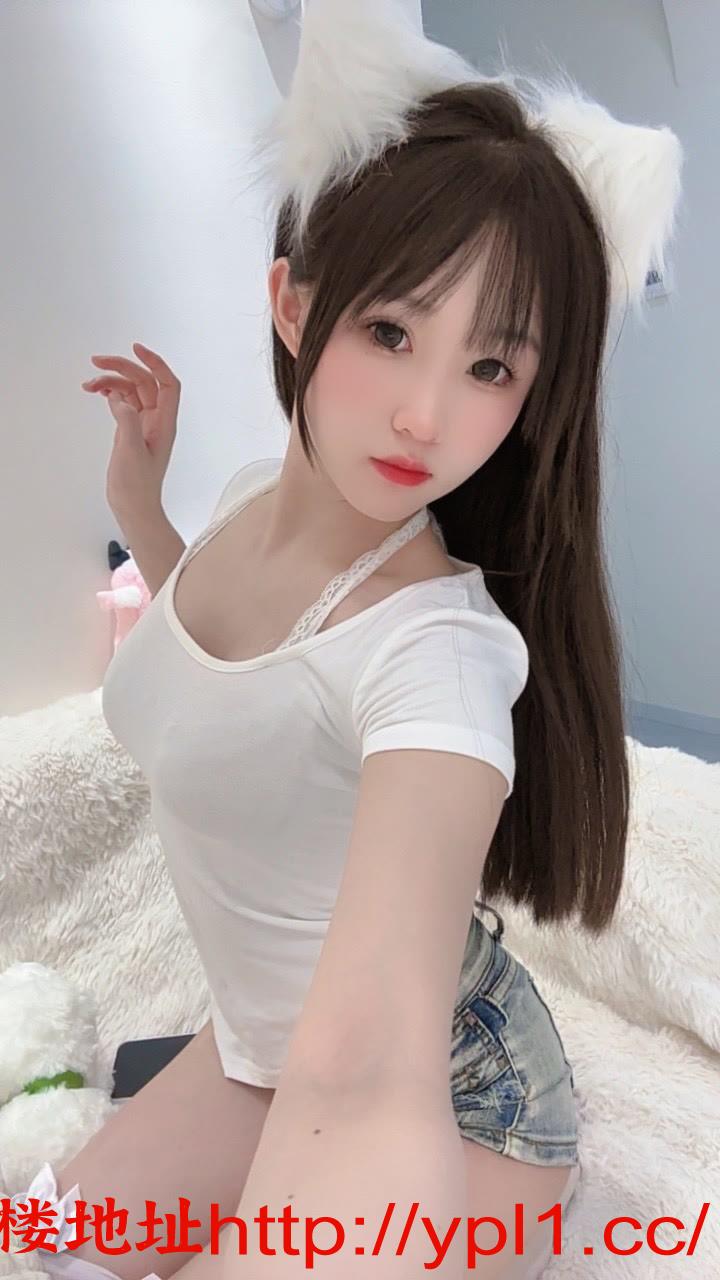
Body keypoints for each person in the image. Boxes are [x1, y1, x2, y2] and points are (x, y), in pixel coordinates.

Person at [15, 1, 683, 1277]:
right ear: (292, 303)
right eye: (391, 331)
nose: (427, 414)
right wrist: (139, 507)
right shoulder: (241, 506)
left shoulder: (438, 655)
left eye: (491, 368)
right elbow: (234, 667)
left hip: (464, 1091)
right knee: (43, 1239)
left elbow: (370, 1071)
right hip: (255, 1045)